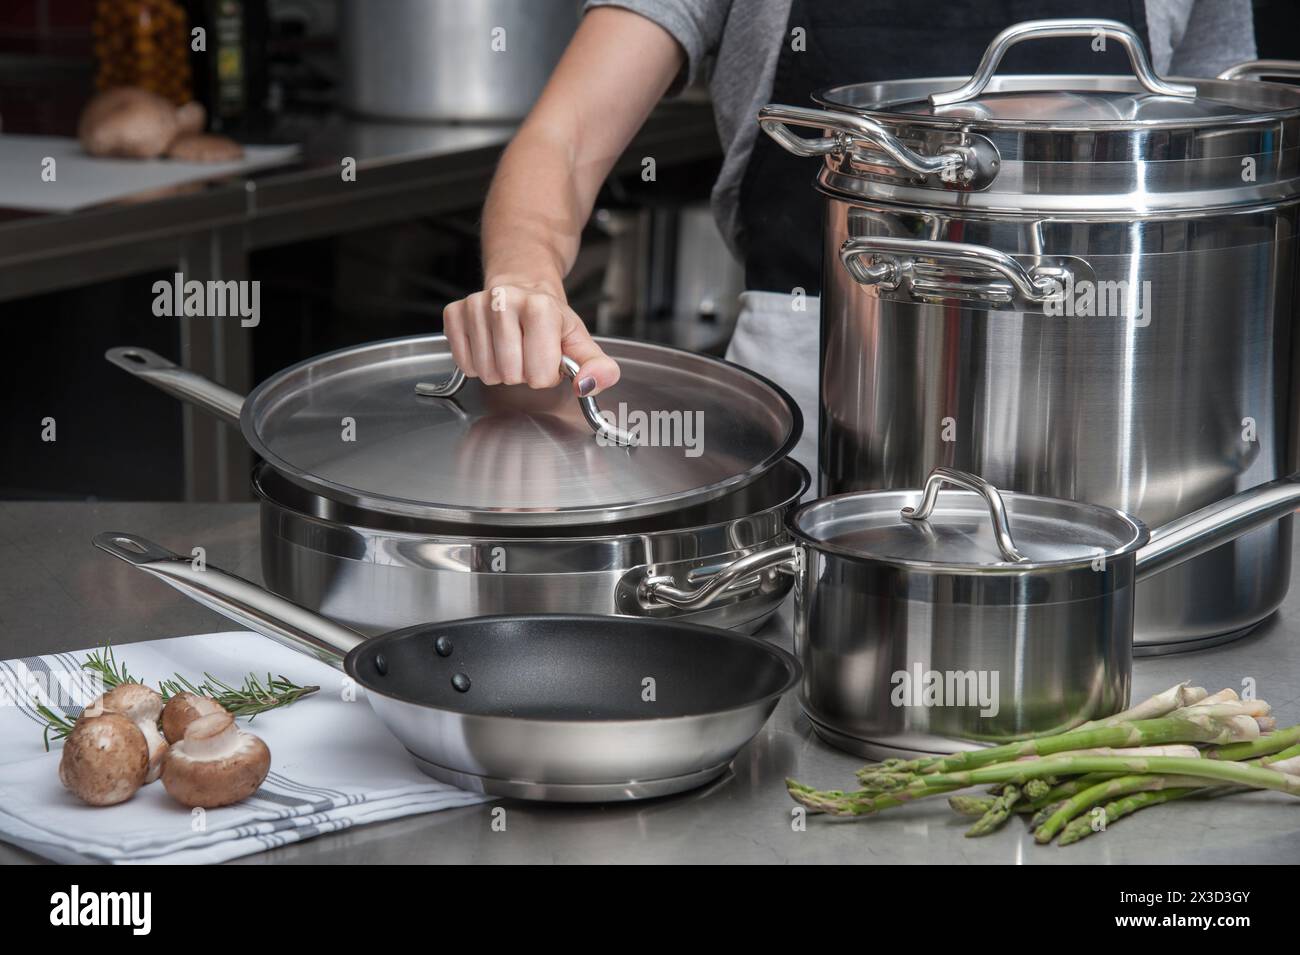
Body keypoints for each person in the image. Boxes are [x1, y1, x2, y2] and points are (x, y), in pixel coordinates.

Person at [441, 1, 1256, 474]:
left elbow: (1236, 162)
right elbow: (564, 139)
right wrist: (525, 281)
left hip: (1119, 412)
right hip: (818, 405)